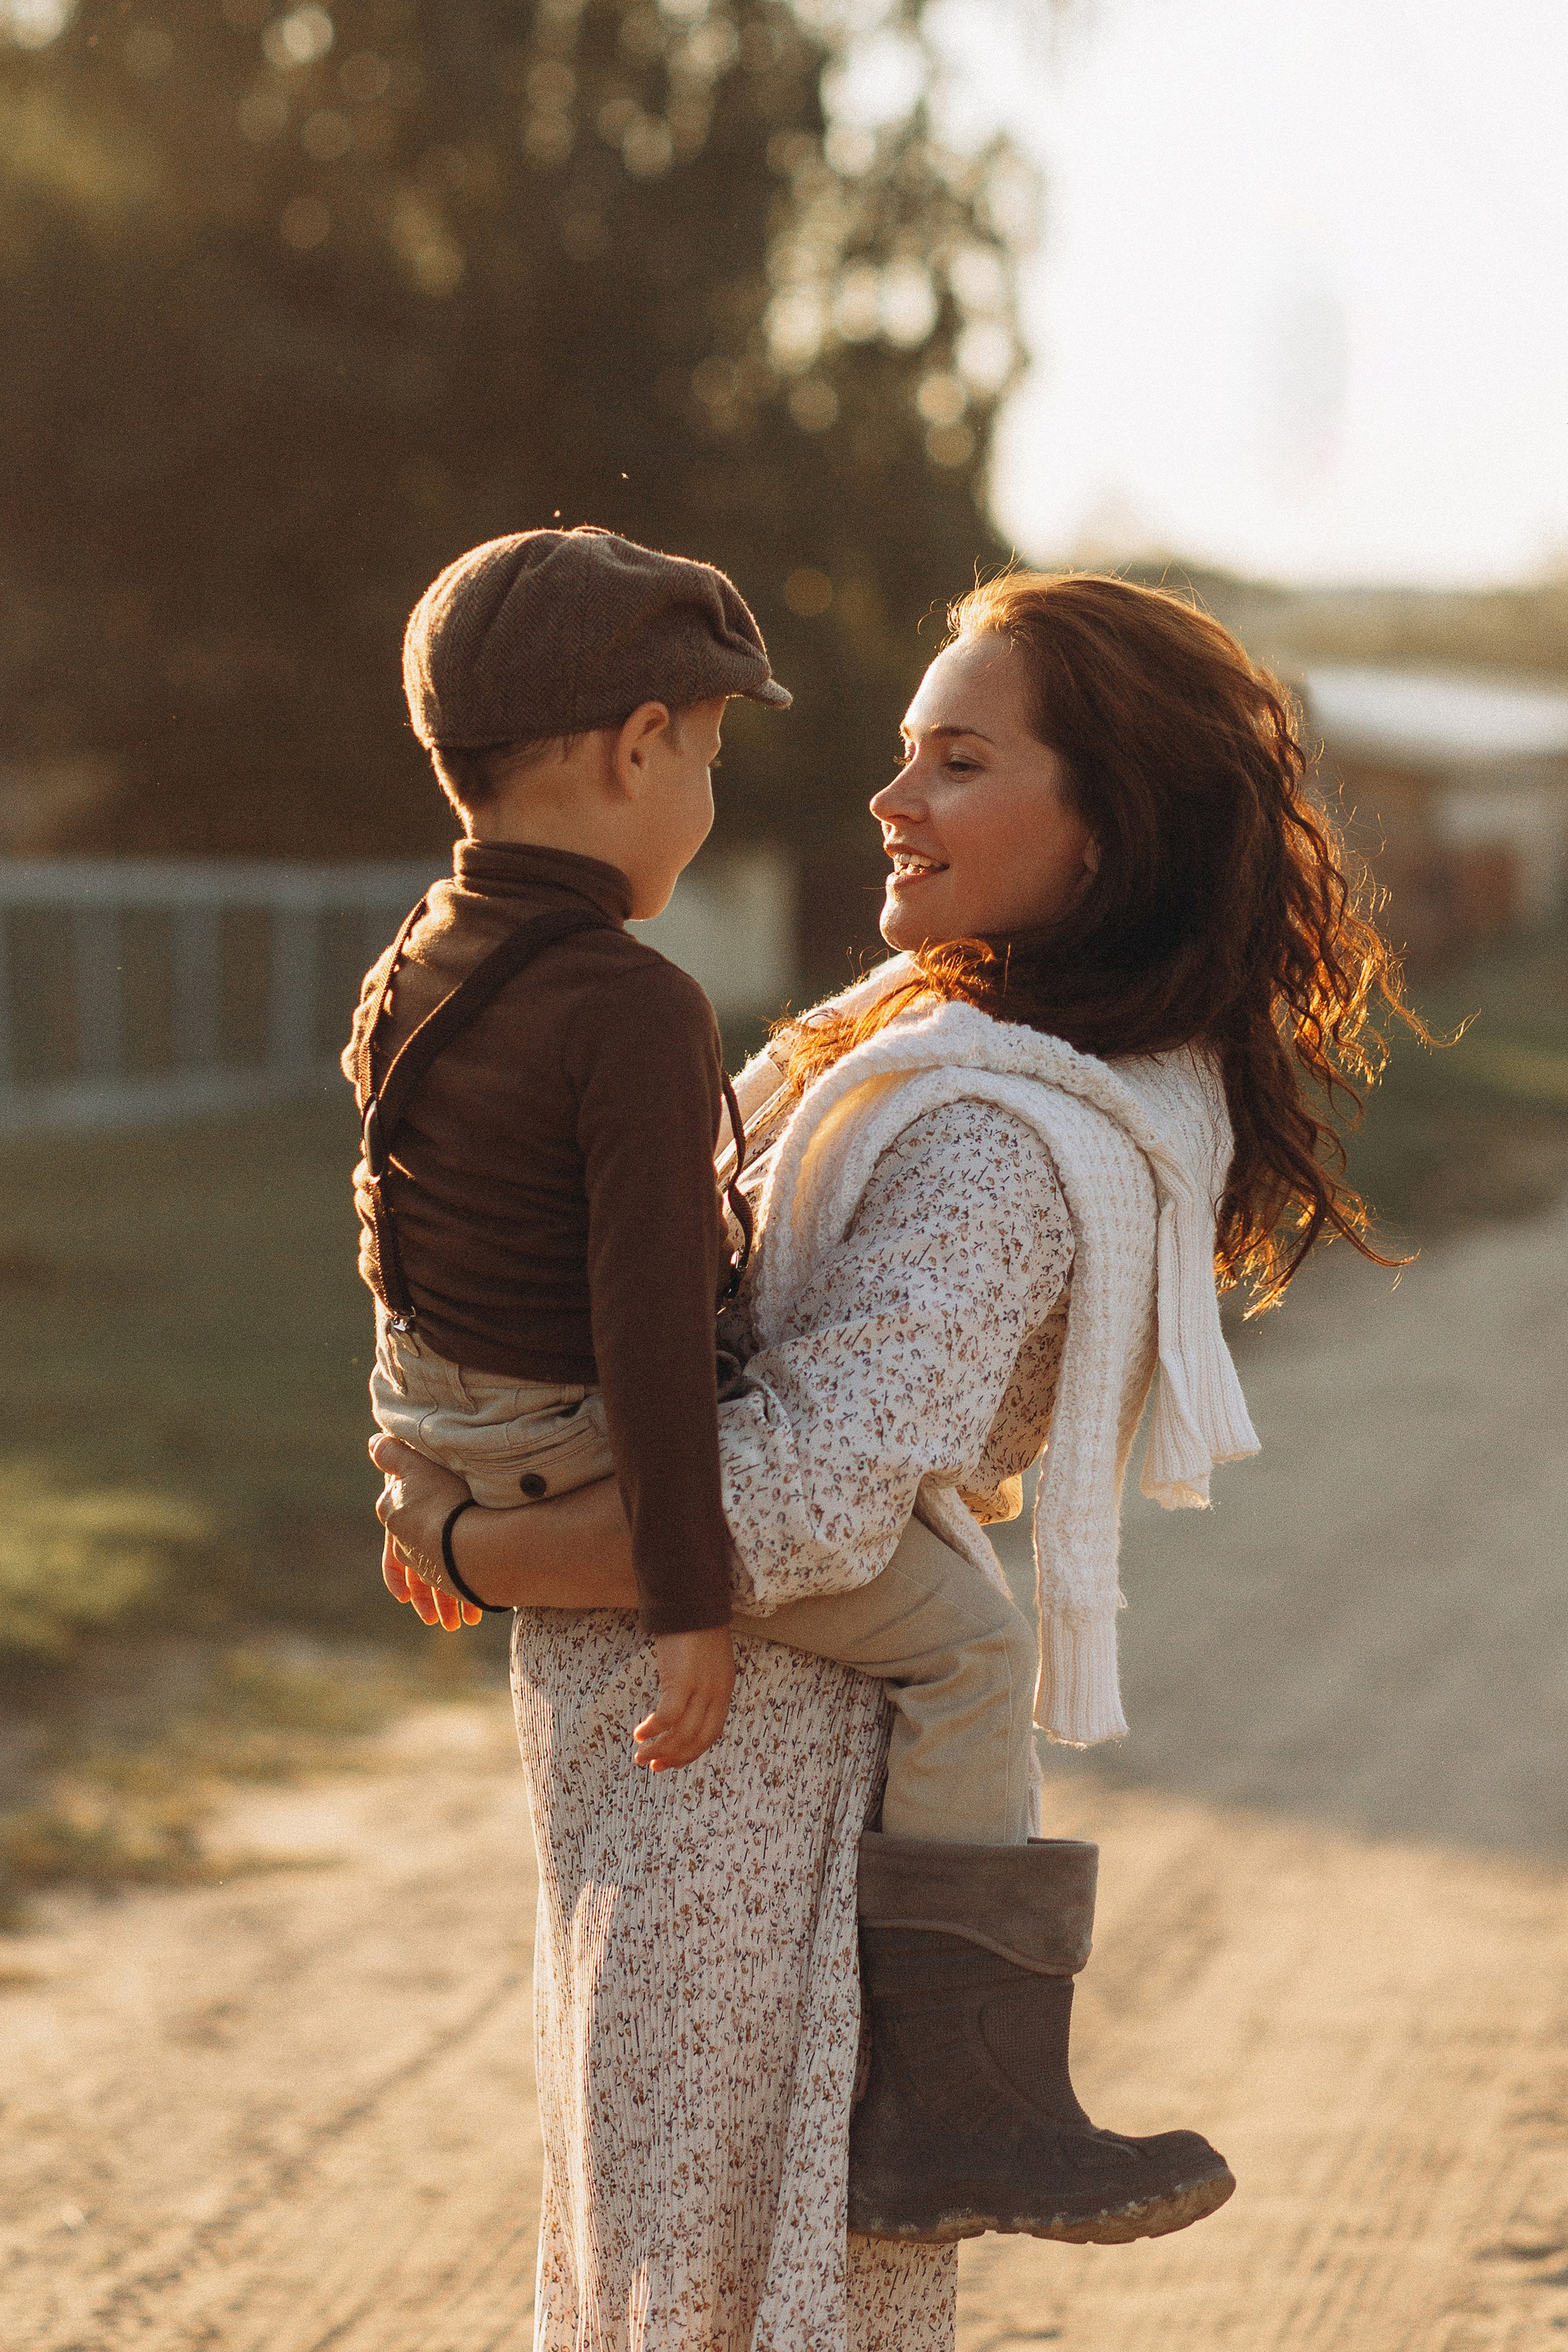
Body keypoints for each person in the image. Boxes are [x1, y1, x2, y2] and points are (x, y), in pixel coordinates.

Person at [374, 571, 1421, 2345]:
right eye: (902, 752)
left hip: (763, 1819)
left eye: (959, 760)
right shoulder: (921, 1038)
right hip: (677, 1783)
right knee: (675, 2287)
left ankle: (979, 2092)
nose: (891, 797)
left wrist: (474, 1545)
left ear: (1103, 835)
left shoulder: (1002, 1141)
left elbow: (802, 1495)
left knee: (731, 2301)